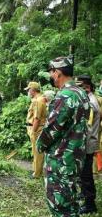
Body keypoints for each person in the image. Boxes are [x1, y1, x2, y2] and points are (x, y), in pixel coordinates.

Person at [36, 57, 90, 216]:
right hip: (75, 159)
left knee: (60, 207)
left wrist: (40, 145)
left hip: (60, 161)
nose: (51, 76)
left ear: (58, 73)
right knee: (71, 203)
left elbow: (51, 129)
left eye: (51, 73)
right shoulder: (81, 93)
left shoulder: (65, 96)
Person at [76, 75, 100, 214]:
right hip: (87, 142)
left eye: (80, 87)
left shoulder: (90, 104)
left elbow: (87, 126)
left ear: (87, 87)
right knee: (82, 174)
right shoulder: (89, 99)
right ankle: (84, 195)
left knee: (86, 176)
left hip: (87, 143)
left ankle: (90, 204)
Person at [25, 82, 47, 178]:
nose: (28, 92)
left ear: (33, 90)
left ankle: (37, 173)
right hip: (37, 128)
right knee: (36, 151)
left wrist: (33, 132)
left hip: (37, 129)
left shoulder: (38, 101)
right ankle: (36, 171)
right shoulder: (40, 99)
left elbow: (37, 118)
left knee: (37, 152)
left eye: (29, 90)